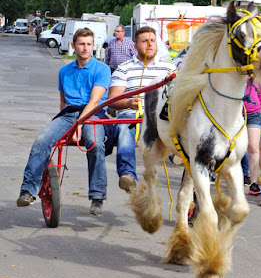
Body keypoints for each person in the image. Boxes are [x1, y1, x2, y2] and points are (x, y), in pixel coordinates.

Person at [17, 28, 111, 217]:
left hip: (93, 114)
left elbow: (94, 102)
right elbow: (63, 102)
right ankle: (28, 191)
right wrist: (63, 124)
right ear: (73, 46)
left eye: (89, 44)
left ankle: (97, 196)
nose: (85, 48)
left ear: (93, 46)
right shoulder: (64, 71)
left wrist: (79, 125)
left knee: (95, 145)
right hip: (68, 114)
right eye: (81, 44)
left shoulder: (102, 69)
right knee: (42, 140)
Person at [108, 26, 176, 193]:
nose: (150, 44)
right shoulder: (124, 68)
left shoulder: (170, 69)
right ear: (136, 45)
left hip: (162, 118)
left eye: (152, 40)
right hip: (133, 117)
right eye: (145, 41)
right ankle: (128, 176)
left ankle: (181, 154)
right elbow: (112, 100)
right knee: (124, 129)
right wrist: (128, 103)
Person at [241, 77, 261, 195]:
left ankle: (254, 183)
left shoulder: (257, 76)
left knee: (253, 147)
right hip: (236, 113)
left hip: (254, 113)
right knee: (234, 146)